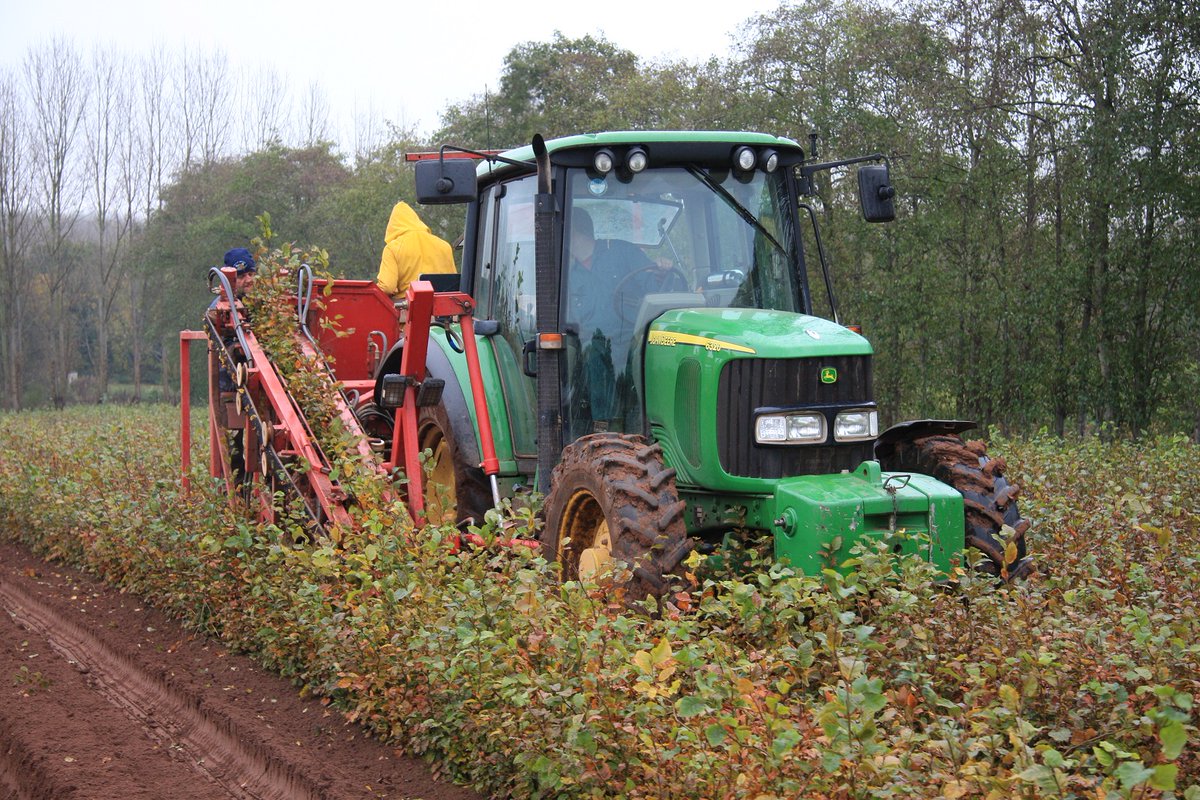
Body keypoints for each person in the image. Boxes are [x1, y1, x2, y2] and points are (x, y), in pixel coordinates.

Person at [375, 201, 456, 299]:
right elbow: (454, 284)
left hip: (409, 306)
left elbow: (387, 288)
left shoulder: (392, 249)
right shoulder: (445, 246)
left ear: (392, 226)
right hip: (444, 305)